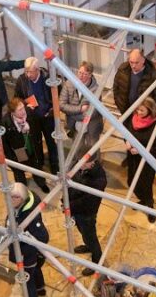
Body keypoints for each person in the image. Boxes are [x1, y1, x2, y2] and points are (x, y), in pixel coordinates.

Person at [8, 183, 50, 297]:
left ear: (22, 198)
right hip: (31, 251)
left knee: (27, 280)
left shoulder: (29, 216)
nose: (10, 200)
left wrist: (25, 253)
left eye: (14, 197)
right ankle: (41, 289)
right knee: (36, 269)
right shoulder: (26, 204)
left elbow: (41, 236)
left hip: (27, 252)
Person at [68, 138, 107, 276]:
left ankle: (97, 260)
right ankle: (88, 246)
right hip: (76, 209)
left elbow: (88, 201)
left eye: (84, 163)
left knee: (90, 236)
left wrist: (69, 205)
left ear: (93, 162)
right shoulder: (80, 167)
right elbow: (71, 183)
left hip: (87, 213)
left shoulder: (98, 178)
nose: (80, 165)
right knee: (83, 232)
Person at [14, 57, 60, 174]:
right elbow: (16, 98)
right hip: (32, 118)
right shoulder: (22, 80)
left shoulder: (49, 78)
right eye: (26, 71)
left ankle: (54, 165)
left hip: (47, 117)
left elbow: (58, 93)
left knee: (51, 141)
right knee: (36, 141)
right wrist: (25, 104)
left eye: (30, 71)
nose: (28, 75)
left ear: (38, 69)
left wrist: (52, 108)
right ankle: (39, 163)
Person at [125, 97, 156, 223]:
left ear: (150, 110)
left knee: (145, 184)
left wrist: (141, 151)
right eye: (138, 109)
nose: (139, 113)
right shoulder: (133, 120)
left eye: (142, 110)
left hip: (147, 161)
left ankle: (150, 207)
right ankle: (142, 199)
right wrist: (126, 142)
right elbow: (126, 133)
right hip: (133, 158)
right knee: (132, 181)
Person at [2, 97, 50, 193]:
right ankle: (22, 188)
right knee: (19, 170)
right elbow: (5, 143)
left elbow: (38, 128)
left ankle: (41, 182)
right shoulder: (6, 122)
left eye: (23, 108)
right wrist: (11, 158)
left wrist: (38, 142)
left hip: (33, 146)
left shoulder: (30, 114)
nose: (23, 111)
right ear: (13, 112)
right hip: (19, 150)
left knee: (36, 165)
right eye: (20, 110)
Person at [59, 60, 103, 141]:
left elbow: (93, 112)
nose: (81, 76)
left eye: (85, 74)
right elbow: (61, 105)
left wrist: (72, 114)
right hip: (73, 125)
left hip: (91, 127)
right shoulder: (69, 84)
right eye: (80, 72)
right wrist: (80, 109)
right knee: (76, 150)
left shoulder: (96, 89)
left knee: (92, 149)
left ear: (90, 75)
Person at [113, 49, 156, 114]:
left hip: (142, 115)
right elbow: (116, 88)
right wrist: (119, 105)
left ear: (143, 60)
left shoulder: (153, 75)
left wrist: (148, 111)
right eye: (131, 62)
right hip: (125, 111)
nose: (133, 66)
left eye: (136, 62)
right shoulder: (123, 70)